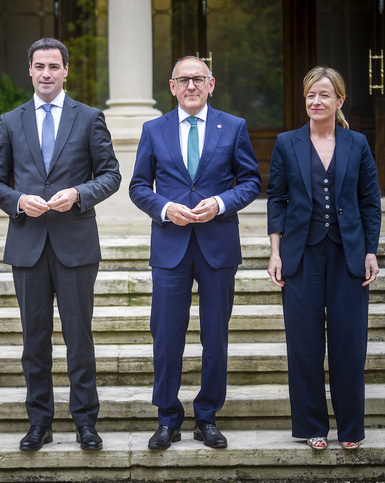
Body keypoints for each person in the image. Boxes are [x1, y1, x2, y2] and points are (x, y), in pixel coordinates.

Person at [0, 38, 120, 451]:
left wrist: (79, 193)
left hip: (75, 244)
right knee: (34, 341)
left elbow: (111, 174)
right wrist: (17, 201)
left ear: (65, 71)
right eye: (39, 66)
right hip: (27, 242)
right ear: (29, 69)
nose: (46, 73)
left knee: (79, 338)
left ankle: (85, 423)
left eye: (53, 66)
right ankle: (39, 423)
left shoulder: (90, 117)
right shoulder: (11, 120)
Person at [129, 56, 262, 450]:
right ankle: (167, 418)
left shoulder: (234, 126)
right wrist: (165, 208)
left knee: (215, 337)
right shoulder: (153, 129)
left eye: (198, 79)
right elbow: (138, 186)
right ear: (171, 86)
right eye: (183, 80)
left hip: (217, 246)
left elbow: (251, 180)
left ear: (211, 84)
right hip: (170, 246)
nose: (191, 86)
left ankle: (207, 417)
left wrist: (220, 203)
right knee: (166, 337)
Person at [266, 66, 381, 450]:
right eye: (311, 95)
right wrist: (275, 252)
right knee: (304, 344)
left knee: (350, 344)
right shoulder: (286, 142)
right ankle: (312, 426)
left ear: (339, 100)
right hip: (301, 256)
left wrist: (370, 251)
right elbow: (277, 199)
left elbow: (370, 202)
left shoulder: (358, 143)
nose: (316, 101)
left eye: (324, 95)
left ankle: (350, 430)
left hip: (349, 254)